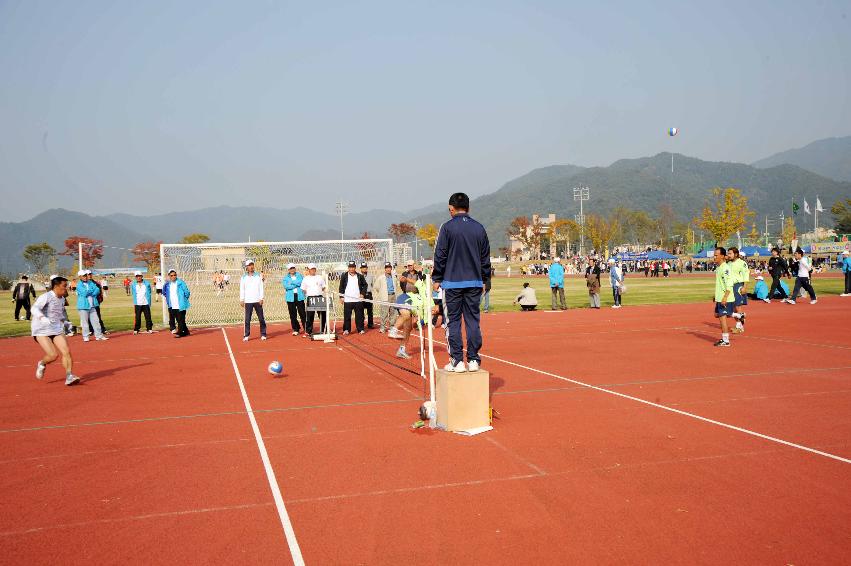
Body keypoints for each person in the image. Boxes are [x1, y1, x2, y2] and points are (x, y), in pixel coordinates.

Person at [432, 192, 491, 373]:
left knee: (453, 322)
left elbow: (440, 254)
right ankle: (473, 359)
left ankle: (457, 360)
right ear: (468, 208)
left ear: (451, 209)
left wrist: (437, 278)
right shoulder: (479, 228)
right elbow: (485, 257)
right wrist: (485, 280)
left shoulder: (447, 228)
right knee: (473, 321)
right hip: (474, 282)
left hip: (452, 283)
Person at [31, 275, 80, 386]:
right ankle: (42, 363)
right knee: (53, 355)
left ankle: (69, 376)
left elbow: (59, 315)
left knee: (66, 351)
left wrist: (66, 322)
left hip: (55, 329)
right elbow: (34, 308)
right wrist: (42, 318)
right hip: (41, 330)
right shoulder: (46, 296)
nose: (66, 288)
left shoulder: (62, 299)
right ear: (56, 286)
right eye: (64, 286)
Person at [75, 270, 107, 342]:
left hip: (92, 305)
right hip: (83, 306)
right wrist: (91, 291)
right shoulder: (79, 285)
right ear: (80, 277)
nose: (85, 277)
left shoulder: (90, 282)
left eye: (86, 275)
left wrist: (91, 292)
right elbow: (84, 293)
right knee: (85, 322)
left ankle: (99, 335)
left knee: (96, 321)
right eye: (84, 276)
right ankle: (86, 336)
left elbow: (97, 289)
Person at [240, 259, 267, 341]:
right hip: (248, 301)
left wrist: (261, 298)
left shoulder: (258, 275)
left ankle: (263, 334)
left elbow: (261, 287)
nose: (251, 266)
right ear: (246, 267)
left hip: (257, 300)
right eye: (249, 265)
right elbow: (242, 289)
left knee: (261, 318)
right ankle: (246, 335)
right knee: (247, 319)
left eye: (252, 265)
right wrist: (242, 299)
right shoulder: (243, 277)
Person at [712, 247, 734, 347]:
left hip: (725, 298)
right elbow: (720, 284)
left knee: (722, 318)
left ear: (722, 256)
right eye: (714, 255)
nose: (714, 257)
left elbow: (729, 284)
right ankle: (738, 315)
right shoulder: (719, 267)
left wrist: (725, 297)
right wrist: (716, 295)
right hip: (720, 297)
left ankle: (726, 340)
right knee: (717, 315)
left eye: (716, 255)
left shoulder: (725, 268)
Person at [338, 260, 367, 335]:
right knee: (347, 316)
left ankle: (360, 329)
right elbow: (341, 287)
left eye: (353, 267)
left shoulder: (360, 276)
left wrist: (362, 294)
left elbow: (365, 285)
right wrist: (341, 297)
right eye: (350, 267)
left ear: (355, 268)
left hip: (358, 300)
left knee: (359, 316)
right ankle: (347, 329)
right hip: (347, 300)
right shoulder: (344, 276)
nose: (351, 269)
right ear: (348, 268)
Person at [301, 263, 327, 337]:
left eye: (314, 269)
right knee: (309, 315)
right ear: (308, 270)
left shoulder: (319, 277)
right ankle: (308, 331)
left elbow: (324, 287)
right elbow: (303, 289)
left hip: (319, 297)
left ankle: (324, 329)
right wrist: (308, 295)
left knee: (322, 314)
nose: (313, 270)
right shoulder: (306, 278)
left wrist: (322, 291)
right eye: (311, 269)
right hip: (310, 298)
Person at [163, 269, 191, 337]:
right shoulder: (167, 284)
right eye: (171, 275)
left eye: (175, 275)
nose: (173, 276)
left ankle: (180, 333)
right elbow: (164, 292)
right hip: (172, 305)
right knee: (180, 320)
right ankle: (186, 331)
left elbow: (187, 292)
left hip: (180, 305)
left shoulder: (181, 282)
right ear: (169, 276)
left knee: (180, 320)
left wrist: (183, 299)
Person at [727, 248, 749, 333]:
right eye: (728, 253)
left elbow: (745, 275)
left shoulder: (742, 263)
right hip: (730, 286)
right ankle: (741, 319)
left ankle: (739, 327)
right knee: (733, 308)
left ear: (735, 254)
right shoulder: (728, 263)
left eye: (730, 253)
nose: (728, 255)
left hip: (738, 285)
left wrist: (745, 287)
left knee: (738, 306)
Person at [373, 262, 399, 333]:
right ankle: (382, 327)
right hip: (385, 296)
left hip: (393, 296)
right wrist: (382, 293)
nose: (388, 269)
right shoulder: (381, 278)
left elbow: (396, 285)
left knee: (393, 312)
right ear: (385, 269)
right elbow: (376, 287)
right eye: (387, 268)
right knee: (384, 313)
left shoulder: (394, 277)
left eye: (389, 268)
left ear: (391, 268)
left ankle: (392, 327)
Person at [283, 263, 307, 336]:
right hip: (290, 298)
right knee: (293, 314)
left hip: (299, 296)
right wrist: (296, 284)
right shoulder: (286, 278)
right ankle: (296, 329)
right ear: (288, 270)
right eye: (290, 268)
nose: (292, 269)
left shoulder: (299, 275)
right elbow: (286, 286)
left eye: (293, 268)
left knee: (302, 313)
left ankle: (307, 328)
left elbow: (301, 283)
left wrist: (292, 283)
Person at [359, 262, 375, 329]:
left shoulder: (371, 276)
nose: (364, 269)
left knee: (370, 310)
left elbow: (373, 285)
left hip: (368, 295)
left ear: (367, 268)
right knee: (360, 310)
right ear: (361, 269)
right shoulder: (358, 276)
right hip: (361, 296)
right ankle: (361, 324)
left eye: (365, 267)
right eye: (363, 268)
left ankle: (370, 324)